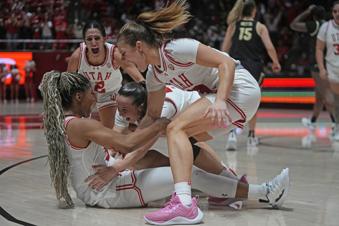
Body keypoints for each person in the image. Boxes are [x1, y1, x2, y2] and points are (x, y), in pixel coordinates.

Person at [116, 0, 289, 224]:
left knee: (175, 128)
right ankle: (229, 185)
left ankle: (184, 204)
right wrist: (128, 145)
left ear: (139, 47)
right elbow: (152, 117)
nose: (123, 60)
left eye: (124, 52)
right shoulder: (154, 75)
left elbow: (225, 63)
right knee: (183, 140)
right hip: (230, 101)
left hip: (240, 88)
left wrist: (219, 101)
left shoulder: (178, 48)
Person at [39, 71, 289, 223]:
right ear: (78, 97)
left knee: (160, 159)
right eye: (91, 93)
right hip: (106, 192)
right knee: (189, 175)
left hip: (100, 184)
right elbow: (127, 142)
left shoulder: (67, 122)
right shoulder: (79, 125)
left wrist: (117, 162)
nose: (96, 98)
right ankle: (264, 192)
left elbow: (121, 144)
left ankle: (225, 190)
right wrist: (161, 125)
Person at [114, 82, 247, 208]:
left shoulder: (162, 107)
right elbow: (115, 138)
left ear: (141, 106)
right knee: (172, 145)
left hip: (204, 109)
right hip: (180, 117)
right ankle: (209, 180)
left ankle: (228, 180)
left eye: (124, 110)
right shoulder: (127, 106)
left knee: (186, 143)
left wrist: (114, 169)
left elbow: (140, 149)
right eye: (118, 108)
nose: (120, 113)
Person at [221, 0, 281, 150]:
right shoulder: (260, 26)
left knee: (232, 99)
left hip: (236, 65)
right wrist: (275, 62)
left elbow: (224, 48)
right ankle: (252, 136)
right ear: (254, 11)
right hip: (254, 66)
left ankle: (232, 133)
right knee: (253, 100)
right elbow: (269, 47)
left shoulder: (233, 25)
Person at [67, 20, 145, 129]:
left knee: (109, 130)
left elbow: (131, 69)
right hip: (87, 94)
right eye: (89, 39)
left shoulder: (114, 53)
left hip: (109, 93)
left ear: (104, 38)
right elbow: (67, 83)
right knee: (79, 128)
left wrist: (144, 86)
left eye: (97, 38)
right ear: (84, 41)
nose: (93, 42)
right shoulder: (77, 56)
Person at [290, 5, 335, 142]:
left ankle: (336, 124)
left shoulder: (315, 25)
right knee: (320, 96)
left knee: (327, 96)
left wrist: (306, 11)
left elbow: (293, 24)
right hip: (329, 62)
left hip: (318, 65)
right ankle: (313, 121)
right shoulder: (328, 25)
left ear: (314, 16)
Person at [316, 1, 339, 141]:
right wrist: (322, 68)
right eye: (335, 11)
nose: (337, 14)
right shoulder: (326, 27)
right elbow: (319, 49)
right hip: (332, 69)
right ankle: (336, 126)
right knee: (333, 101)